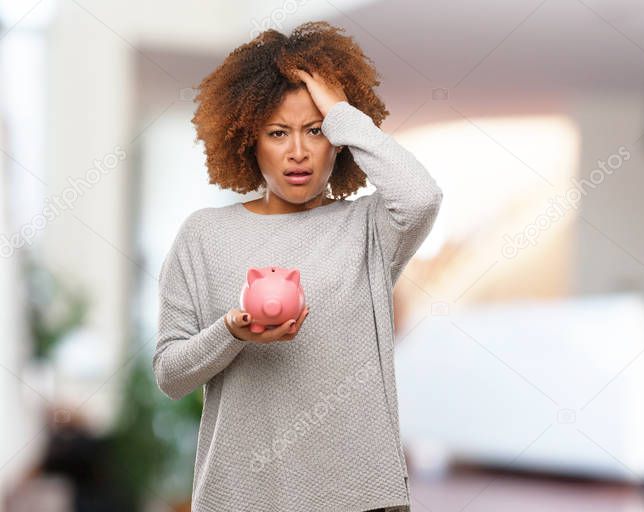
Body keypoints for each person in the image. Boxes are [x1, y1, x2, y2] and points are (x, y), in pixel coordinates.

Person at [152, 21, 442, 512]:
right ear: (249, 139)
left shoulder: (368, 229)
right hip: (242, 496)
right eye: (278, 132)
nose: (299, 152)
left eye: (315, 130)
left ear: (337, 141)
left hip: (360, 497)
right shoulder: (203, 235)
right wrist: (232, 331)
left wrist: (342, 113)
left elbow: (421, 197)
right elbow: (171, 375)